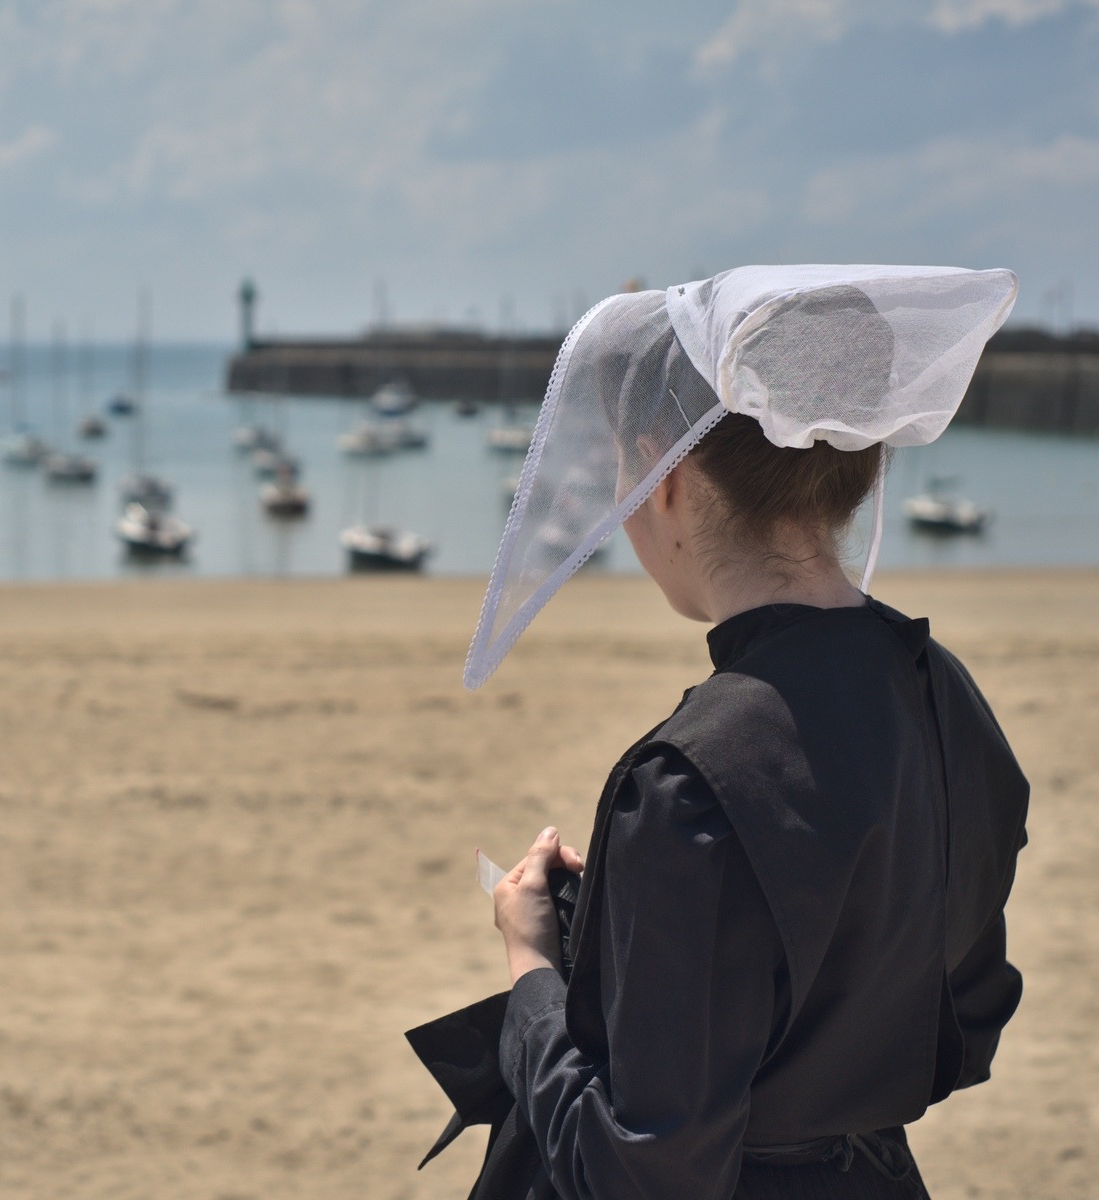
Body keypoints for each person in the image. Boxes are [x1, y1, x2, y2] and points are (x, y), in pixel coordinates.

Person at [409, 267, 1029, 1200]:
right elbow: (969, 1012)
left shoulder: (688, 779)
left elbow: (639, 1171)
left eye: (626, 469)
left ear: (669, 476)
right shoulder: (946, 697)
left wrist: (535, 966)